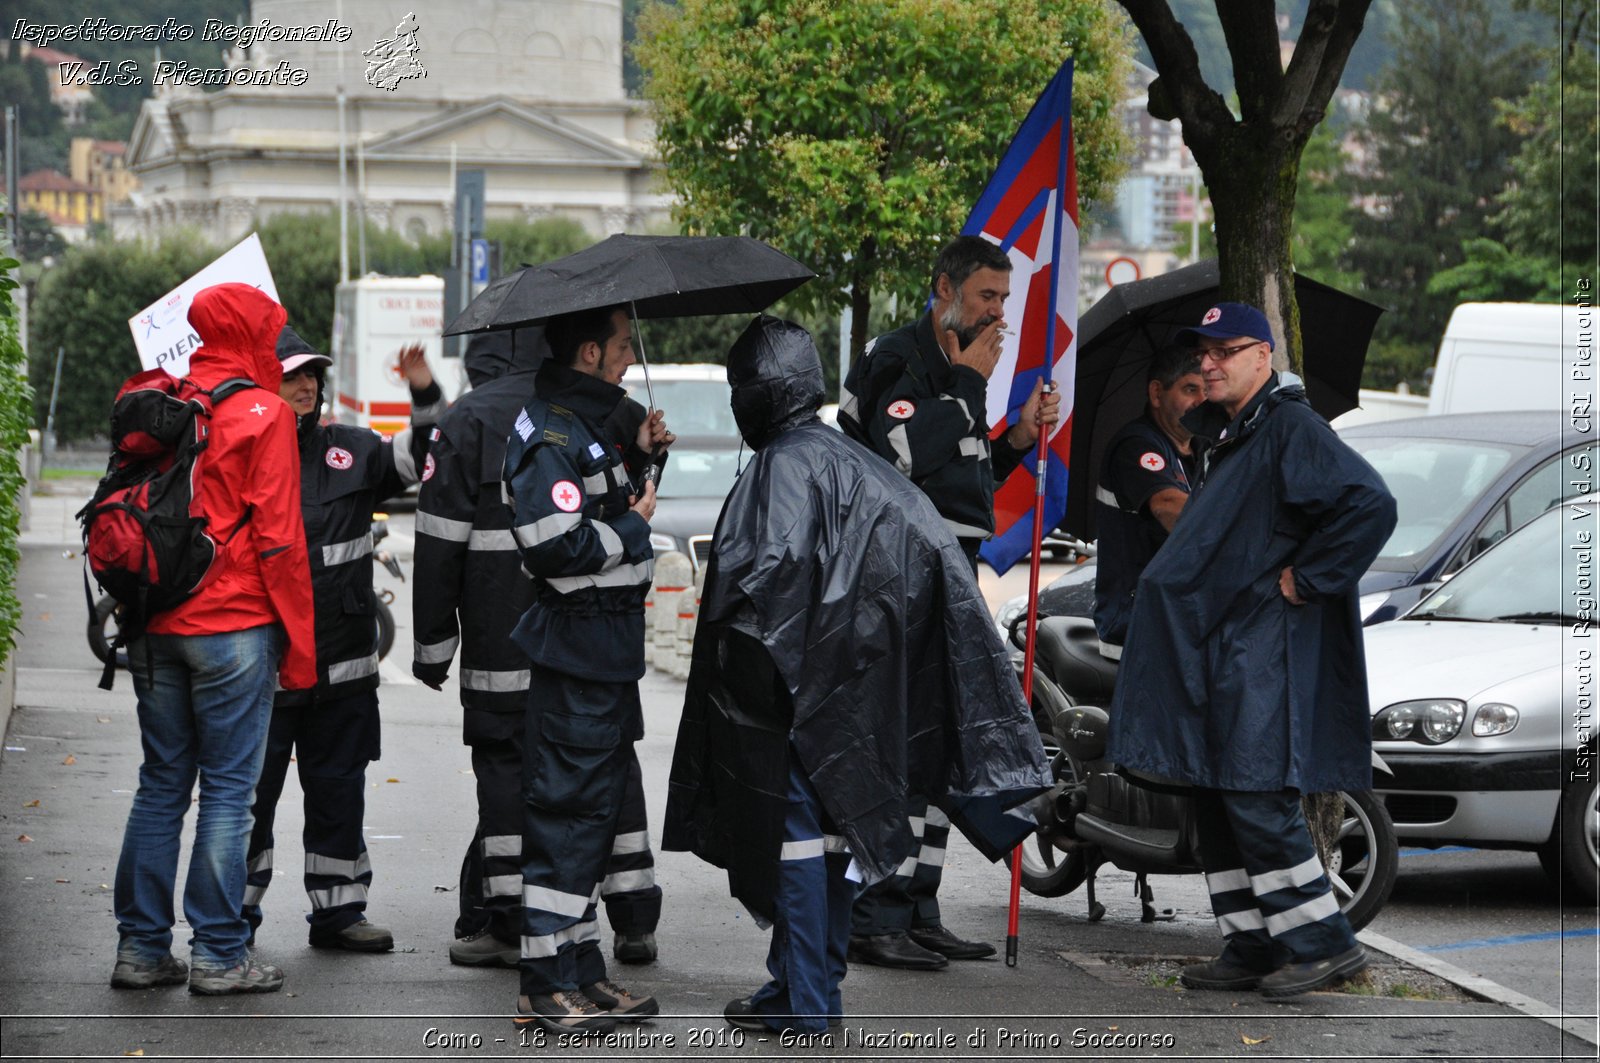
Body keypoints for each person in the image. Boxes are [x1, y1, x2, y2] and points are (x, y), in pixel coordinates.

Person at [665, 315, 1051, 1033]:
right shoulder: (848, 457)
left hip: (801, 689)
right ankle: (800, 987)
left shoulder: (784, 465)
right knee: (833, 837)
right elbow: (924, 553)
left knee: (798, 838)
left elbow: (769, 582)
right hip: (858, 682)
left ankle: (807, 1001)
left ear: (756, 391)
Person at [1105, 302, 1397, 1000]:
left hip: (1256, 650)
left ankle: (1323, 943)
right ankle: (1252, 941)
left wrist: (1309, 579)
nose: (1207, 363)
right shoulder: (1233, 434)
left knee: (1252, 789)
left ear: (1263, 356)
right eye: (1201, 354)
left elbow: (1370, 503)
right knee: (1216, 795)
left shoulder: (1289, 427)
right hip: (1217, 647)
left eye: (1223, 351)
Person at [837, 234, 1059, 970]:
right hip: (898, 571)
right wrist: (966, 385)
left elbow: (964, 468)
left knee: (937, 748)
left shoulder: (966, 371)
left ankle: (918, 904)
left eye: (1006, 299)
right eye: (987, 297)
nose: (1000, 313)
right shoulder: (900, 360)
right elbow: (903, 452)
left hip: (953, 568)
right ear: (946, 288)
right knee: (901, 745)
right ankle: (875, 913)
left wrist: (1020, 437)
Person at [412, 327, 664, 970]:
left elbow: (439, 542)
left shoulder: (470, 418)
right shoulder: (594, 413)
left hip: (505, 634)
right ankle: (632, 915)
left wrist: (434, 645)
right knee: (605, 766)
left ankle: (510, 921)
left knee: (508, 772)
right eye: (623, 345)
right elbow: (613, 516)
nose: (630, 358)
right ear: (581, 347)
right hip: (591, 640)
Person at [111, 283, 316, 996]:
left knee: (160, 785)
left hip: (154, 621)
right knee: (230, 792)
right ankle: (220, 954)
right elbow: (282, 543)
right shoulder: (263, 411)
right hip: (233, 628)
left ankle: (139, 949)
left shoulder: (160, 394)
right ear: (256, 331)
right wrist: (301, 647)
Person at [238, 327, 444, 953]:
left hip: (344, 666)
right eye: (292, 374)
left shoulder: (350, 450)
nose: (306, 385)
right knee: (249, 803)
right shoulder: (237, 455)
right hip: (265, 670)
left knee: (339, 793)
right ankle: (231, 922)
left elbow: (425, 454)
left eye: (312, 375)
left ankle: (338, 913)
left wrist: (423, 390)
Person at [501, 305, 673, 1034]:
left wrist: (645, 453)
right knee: (567, 822)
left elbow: (607, 498)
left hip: (603, 656)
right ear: (593, 352)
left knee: (594, 823)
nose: (631, 359)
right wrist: (635, 524)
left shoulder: (588, 424)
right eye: (625, 348)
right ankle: (544, 985)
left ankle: (582, 970)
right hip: (576, 654)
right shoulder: (549, 433)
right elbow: (552, 543)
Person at [1091, 344, 1206, 657]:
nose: (1202, 400)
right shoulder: (1137, 445)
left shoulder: (1199, 452)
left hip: (1176, 617)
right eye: (1190, 389)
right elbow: (1167, 506)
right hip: (1136, 624)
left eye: (1207, 389)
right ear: (1157, 393)